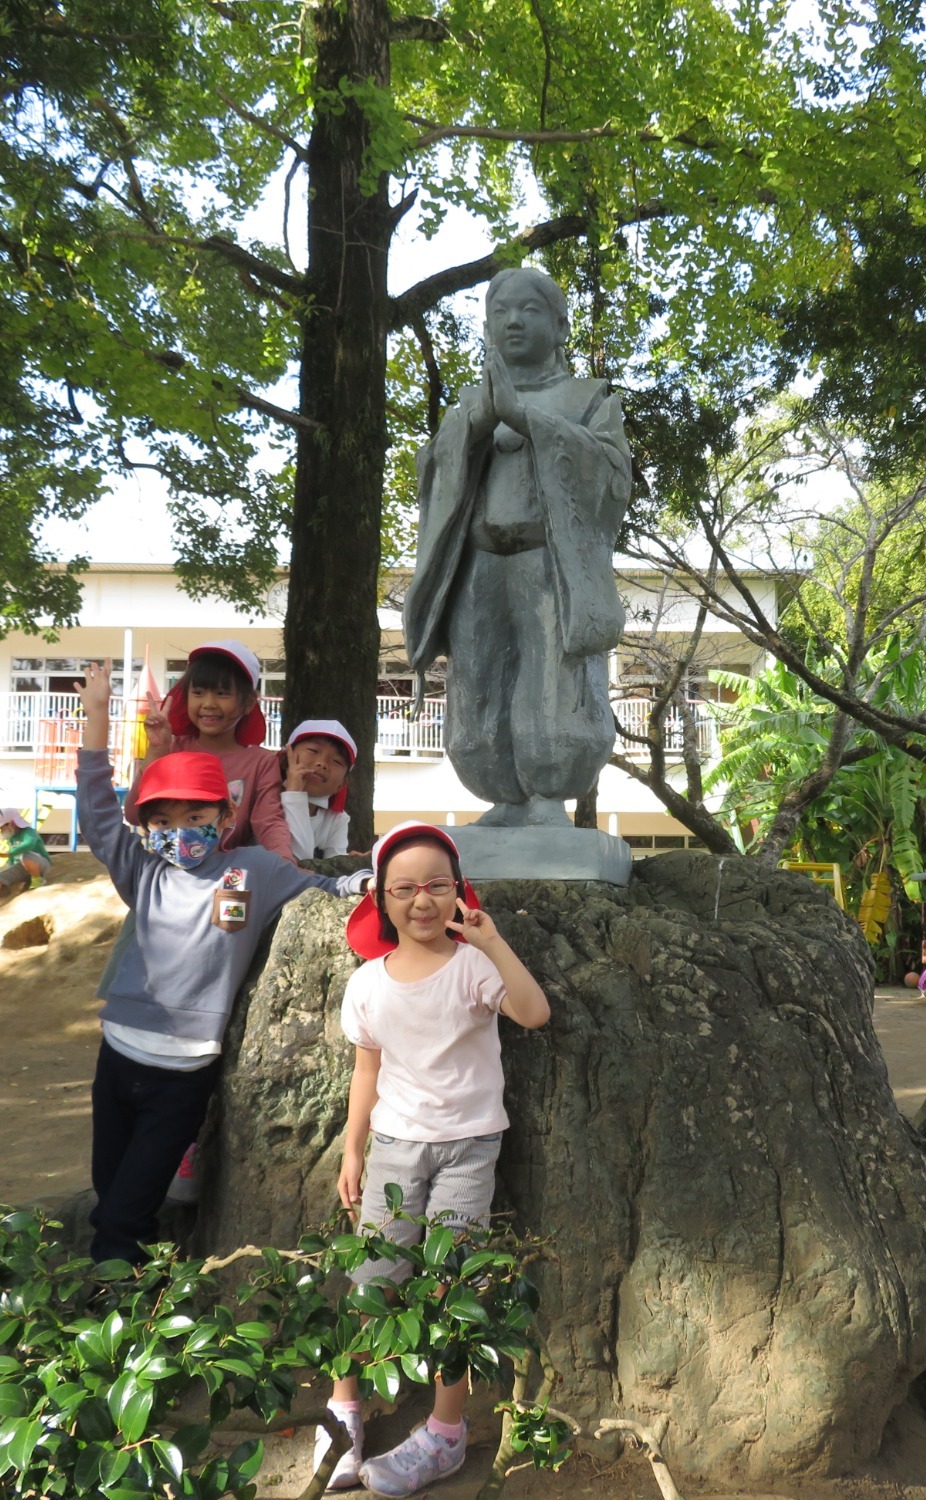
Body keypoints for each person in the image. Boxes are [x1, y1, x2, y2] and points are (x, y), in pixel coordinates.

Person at [77, 662, 364, 1266]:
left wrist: (370, 881)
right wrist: (98, 722)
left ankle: (111, 1300)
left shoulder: (251, 871)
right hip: (118, 1052)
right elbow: (99, 813)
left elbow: (322, 889)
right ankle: (133, 1293)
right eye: (161, 820)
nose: (178, 832)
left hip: (185, 1071)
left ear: (224, 818)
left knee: (125, 1208)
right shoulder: (142, 870)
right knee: (113, 1190)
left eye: (195, 817)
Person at [312, 822, 551, 1494]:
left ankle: (447, 1431)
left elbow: (533, 1014)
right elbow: (366, 1070)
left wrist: (493, 941)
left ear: (459, 893)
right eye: (405, 888)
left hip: (470, 1147)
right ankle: (344, 1408)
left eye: (437, 885)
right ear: (381, 899)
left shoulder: (475, 966)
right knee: (372, 1278)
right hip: (392, 1146)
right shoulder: (366, 983)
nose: (422, 900)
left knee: (455, 1285)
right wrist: (352, 1148)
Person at [403, 267, 631, 827]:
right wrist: (478, 422)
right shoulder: (469, 405)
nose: (512, 321)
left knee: (555, 674)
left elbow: (612, 479)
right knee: (477, 676)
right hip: (478, 562)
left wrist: (527, 417)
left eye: (528, 310)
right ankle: (501, 796)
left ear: (559, 325)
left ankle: (550, 796)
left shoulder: (588, 399)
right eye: (500, 311)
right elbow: (429, 475)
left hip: (547, 561)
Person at [132, 641, 289, 857]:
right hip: (170, 871)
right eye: (198, 692)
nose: (208, 703)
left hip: (228, 876)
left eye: (222, 693)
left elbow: (269, 821)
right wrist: (156, 753)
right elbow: (134, 814)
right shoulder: (172, 749)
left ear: (248, 703)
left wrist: (286, 863)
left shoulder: (261, 762)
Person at [281, 719, 358, 858]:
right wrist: (293, 794)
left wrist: (347, 863)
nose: (322, 764)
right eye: (313, 750)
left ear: (341, 784)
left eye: (337, 761)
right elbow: (294, 858)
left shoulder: (337, 820)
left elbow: (333, 867)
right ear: (287, 757)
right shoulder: (266, 799)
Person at [0, 809, 50, 916]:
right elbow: (13, 859)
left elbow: (28, 844)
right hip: (23, 866)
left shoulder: (29, 832)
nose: (0, 830)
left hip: (39, 864)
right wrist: (10, 869)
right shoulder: (12, 838)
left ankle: (37, 880)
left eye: (1, 827)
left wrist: (10, 852)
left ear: (11, 823)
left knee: (27, 855)